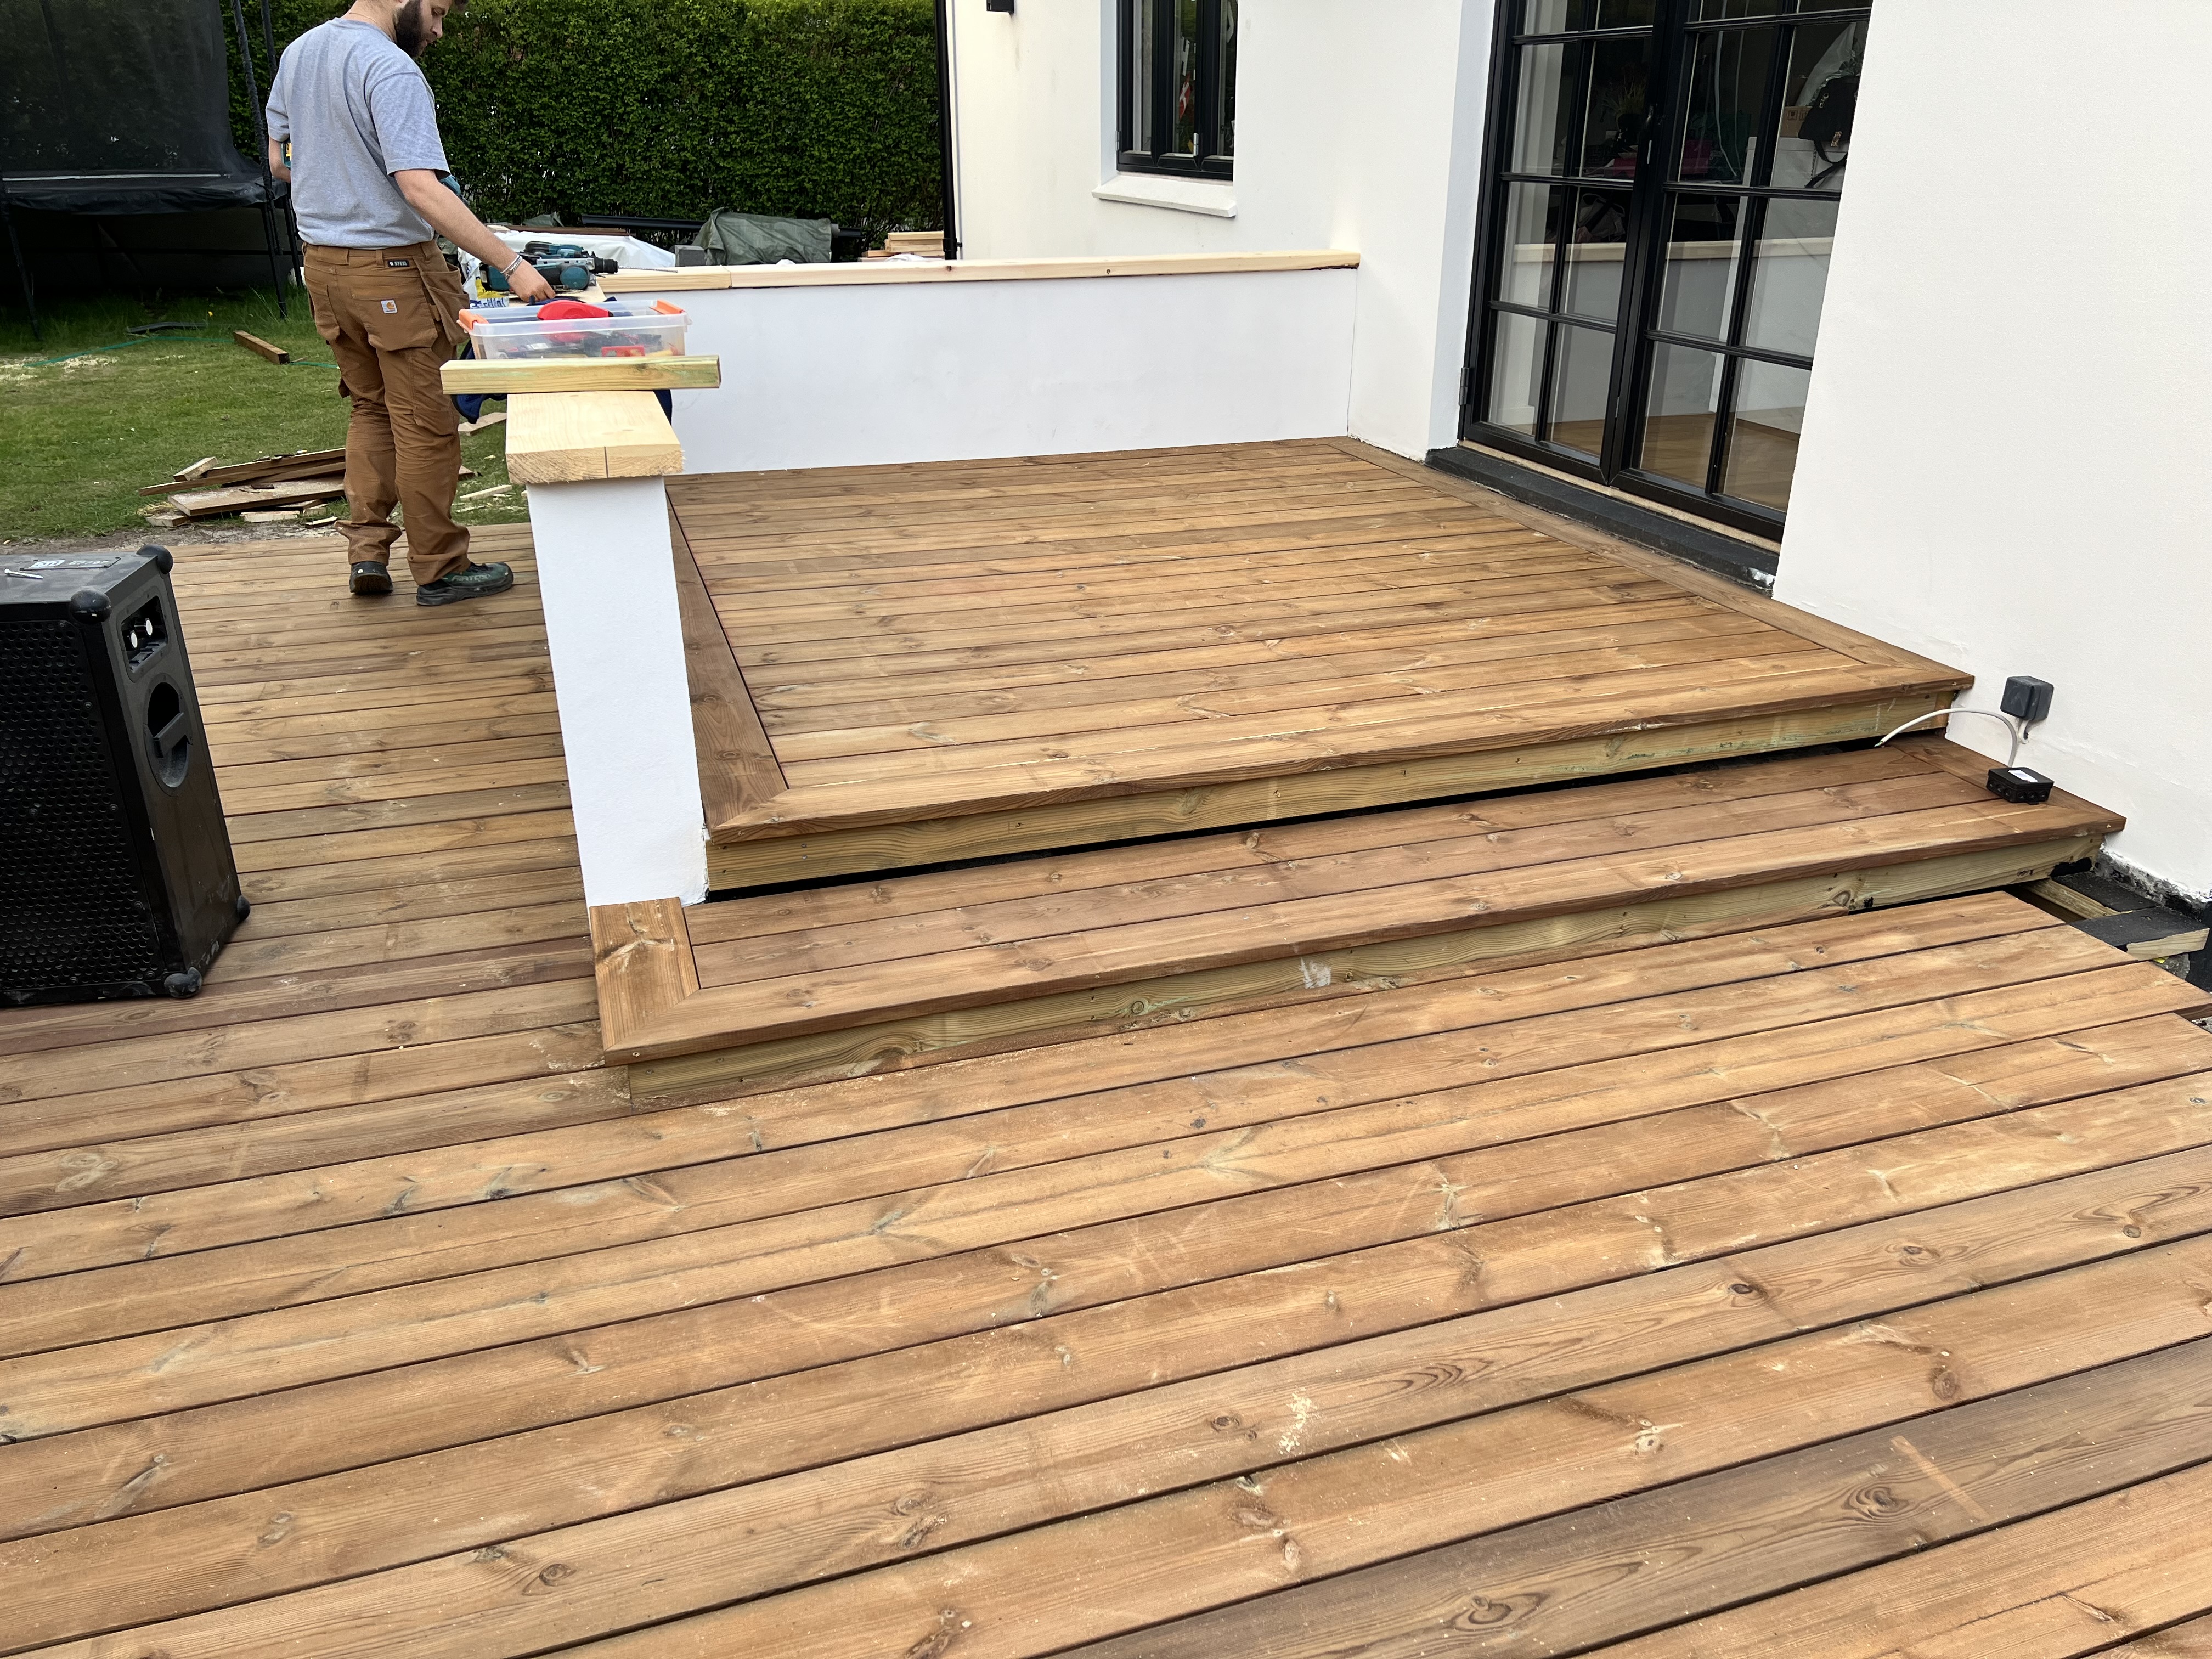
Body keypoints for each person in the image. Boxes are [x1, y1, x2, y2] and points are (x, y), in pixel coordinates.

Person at [266, 0, 553, 606]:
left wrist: (341, 174)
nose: (439, 30)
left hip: (323, 267)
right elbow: (419, 188)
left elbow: (280, 160)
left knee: (371, 409)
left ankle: (367, 554)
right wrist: (513, 265)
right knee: (425, 422)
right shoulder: (390, 67)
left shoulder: (300, 53)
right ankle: (441, 568)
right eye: (438, 12)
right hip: (393, 270)